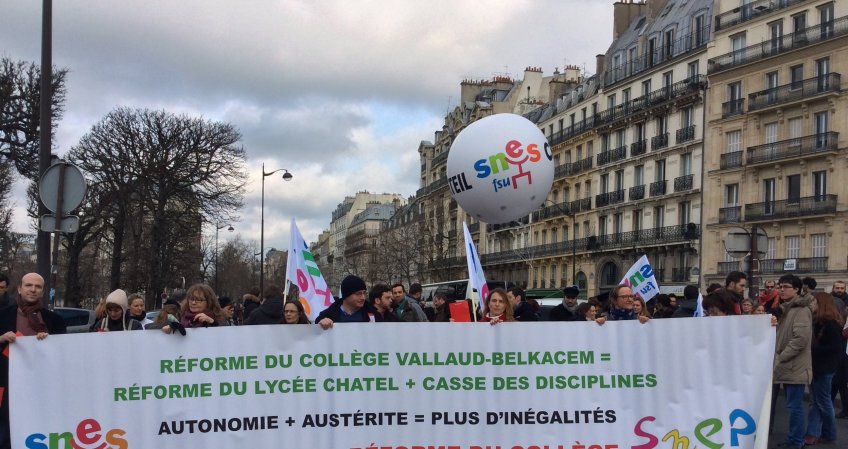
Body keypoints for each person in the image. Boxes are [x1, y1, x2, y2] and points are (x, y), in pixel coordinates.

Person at [0, 273, 66, 448]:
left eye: (37, 287)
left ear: (43, 292)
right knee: (7, 434)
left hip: (43, 387)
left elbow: (63, 354)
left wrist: (50, 341)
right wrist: (1, 339)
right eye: (28, 285)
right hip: (8, 387)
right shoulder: (2, 316)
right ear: (20, 289)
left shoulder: (55, 321)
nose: (33, 289)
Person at [772, 274, 813, 449]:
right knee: (792, 406)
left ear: (796, 289)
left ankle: (796, 441)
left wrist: (781, 357)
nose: (781, 289)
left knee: (794, 407)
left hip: (795, 366)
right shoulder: (787, 308)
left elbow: (800, 339)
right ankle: (794, 439)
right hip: (788, 365)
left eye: (786, 286)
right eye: (780, 286)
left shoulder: (801, 310)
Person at [804, 292, 844, 445]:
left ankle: (828, 433)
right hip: (817, 366)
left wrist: (812, 350)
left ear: (822, 304)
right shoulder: (819, 322)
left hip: (825, 368)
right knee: (817, 401)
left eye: (814, 301)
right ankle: (813, 433)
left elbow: (835, 347)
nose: (812, 304)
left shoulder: (831, 324)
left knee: (823, 402)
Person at [161, 284, 228, 333]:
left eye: (199, 300)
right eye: (191, 299)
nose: (193, 303)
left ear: (209, 302)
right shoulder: (180, 316)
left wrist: (212, 322)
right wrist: (171, 328)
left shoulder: (218, 318)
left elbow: (226, 335)